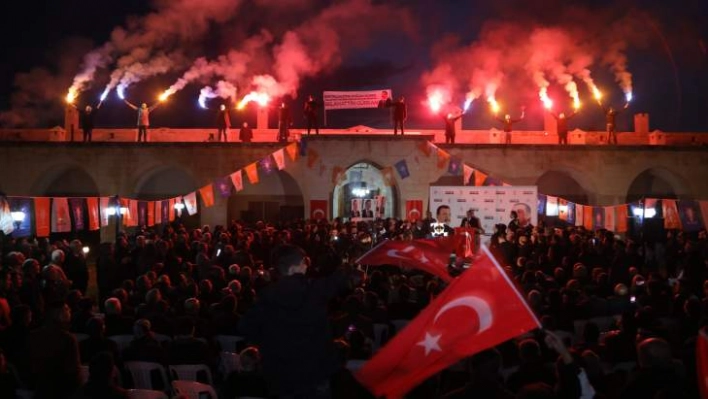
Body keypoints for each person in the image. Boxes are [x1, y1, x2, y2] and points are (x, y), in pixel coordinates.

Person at [239, 244, 352, 398]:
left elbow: (247, 327)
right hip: (315, 373)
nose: (306, 267)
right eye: (303, 263)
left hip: (280, 375)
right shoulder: (315, 290)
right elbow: (338, 281)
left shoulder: (267, 295)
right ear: (293, 268)